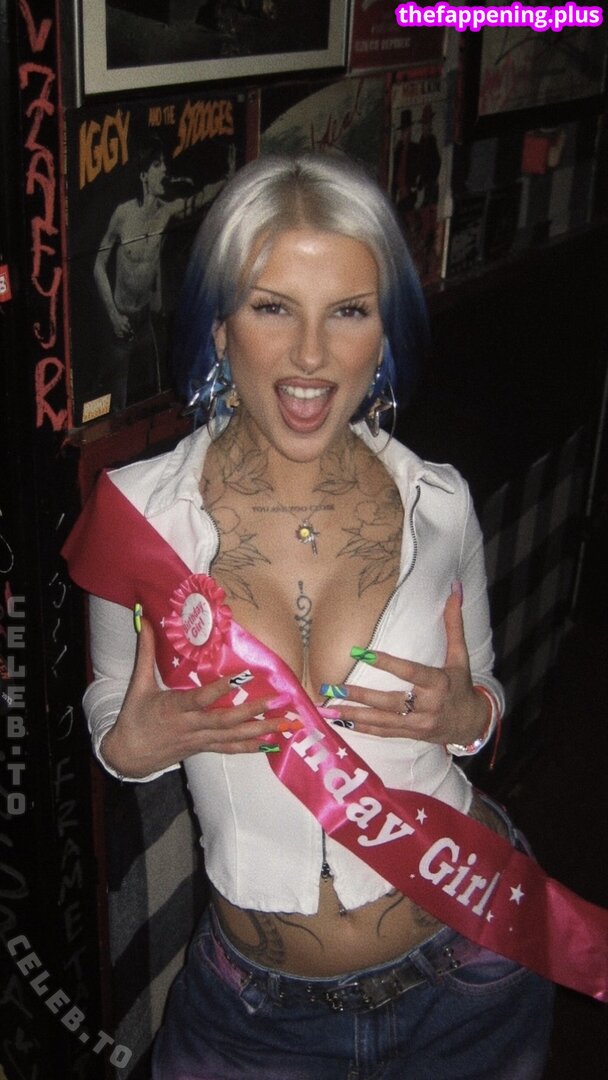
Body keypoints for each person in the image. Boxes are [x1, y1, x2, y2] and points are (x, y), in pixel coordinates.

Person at [76, 152, 554, 1078]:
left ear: (384, 332)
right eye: (272, 308)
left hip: (475, 963)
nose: (309, 354)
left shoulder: (439, 503)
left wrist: (470, 713)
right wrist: (128, 747)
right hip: (257, 1016)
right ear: (219, 328)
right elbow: (112, 714)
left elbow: (481, 696)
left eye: (348, 311)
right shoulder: (137, 519)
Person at [93, 136, 235, 412]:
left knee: (154, 395)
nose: (165, 170)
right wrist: (113, 315)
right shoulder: (123, 214)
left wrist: (228, 179)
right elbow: (98, 264)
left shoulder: (165, 212)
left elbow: (198, 199)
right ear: (144, 175)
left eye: (164, 164)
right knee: (115, 405)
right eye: (157, 165)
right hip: (121, 324)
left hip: (147, 321)